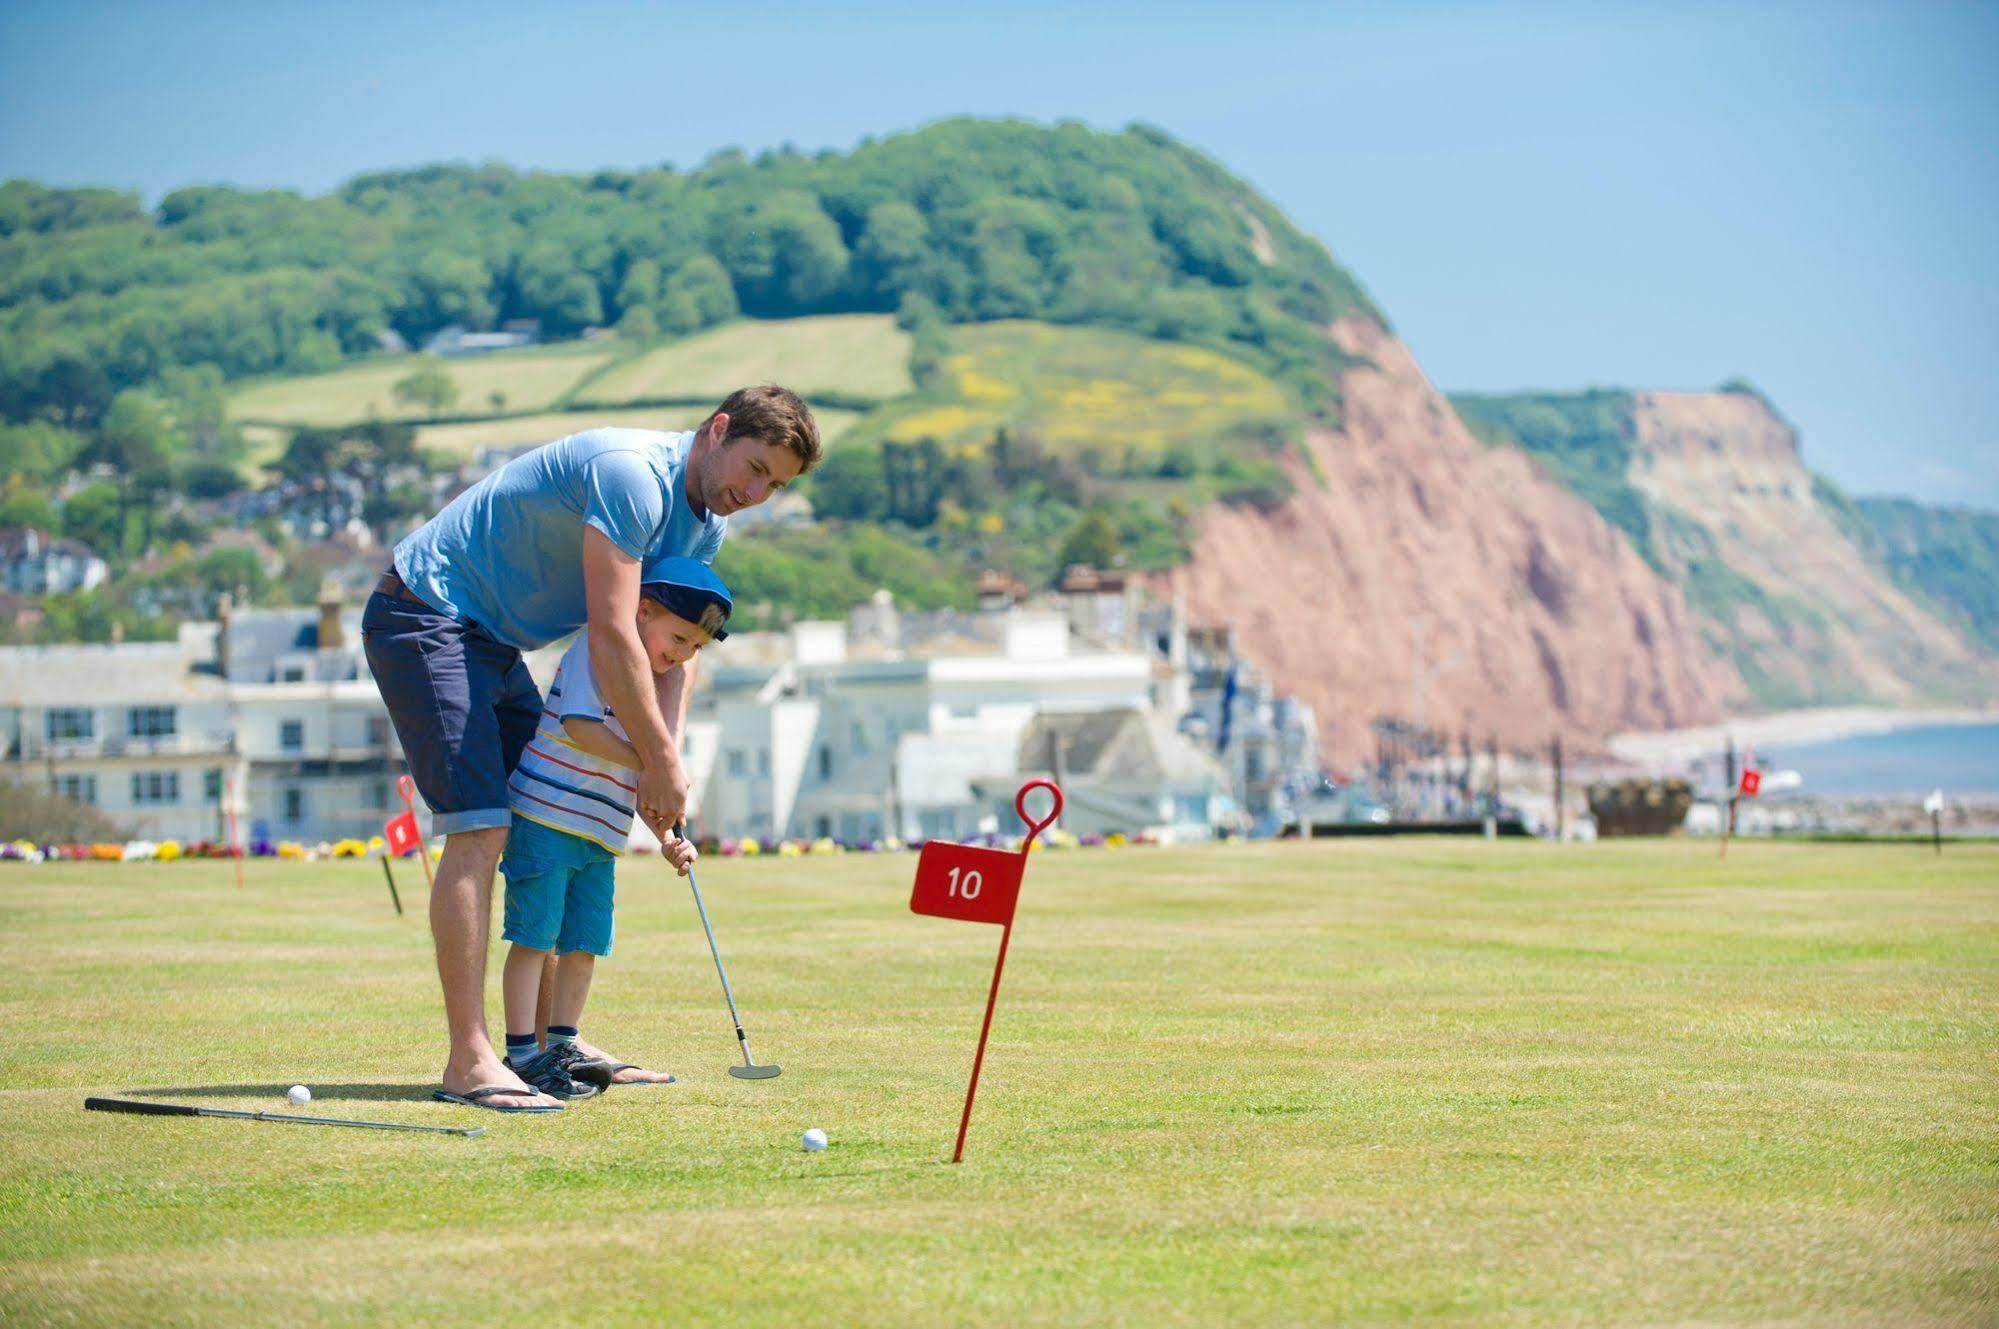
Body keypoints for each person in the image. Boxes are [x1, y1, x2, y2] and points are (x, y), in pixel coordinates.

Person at [362, 385, 820, 1112]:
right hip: (425, 611)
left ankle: (547, 1046)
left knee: (541, 816)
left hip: (493, 640)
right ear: (719, 429)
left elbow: (673, 650)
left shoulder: (704, 529)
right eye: (755, 467)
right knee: (481, 824)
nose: (756, 491)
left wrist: (661, 762)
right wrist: (657, 761)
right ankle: (470, 1059)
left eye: (776, 484)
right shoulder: (633, 475)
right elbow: (611, 633)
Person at [498, 561, 733, 1104]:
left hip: (601, 833)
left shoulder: (651, 689)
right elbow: (581, 727)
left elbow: (646, 782)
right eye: (678, 637)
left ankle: (563, 1046)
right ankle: (522, 1055)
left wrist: (670, 836)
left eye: (695, 647)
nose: (681, 654)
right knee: (534, 938)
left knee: (583, 944)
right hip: (547, 815)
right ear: (642, 611)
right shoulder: (597, 651)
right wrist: (653, 761)